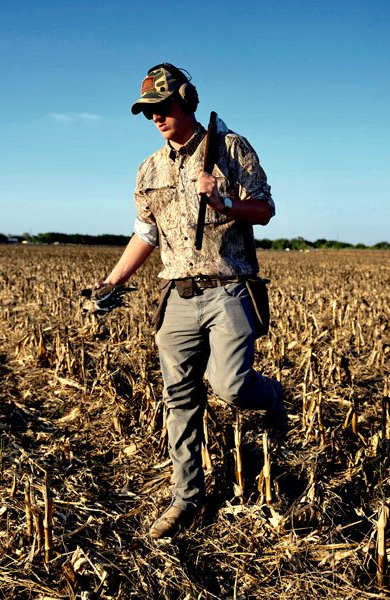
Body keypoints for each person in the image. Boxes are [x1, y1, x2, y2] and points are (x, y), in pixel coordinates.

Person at [96, 63, 286, 539]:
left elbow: (264, 209)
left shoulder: (230, 148)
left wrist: (224, 204)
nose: (155, 117)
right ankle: (187, 498)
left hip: (228, 288)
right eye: (147, 112)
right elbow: (145, 235)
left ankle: (274, 397)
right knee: (178, 398)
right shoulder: (149, 169)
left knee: (233, 387)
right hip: (177, 295)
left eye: (162, 107)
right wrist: (112, 282)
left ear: (186, 100)